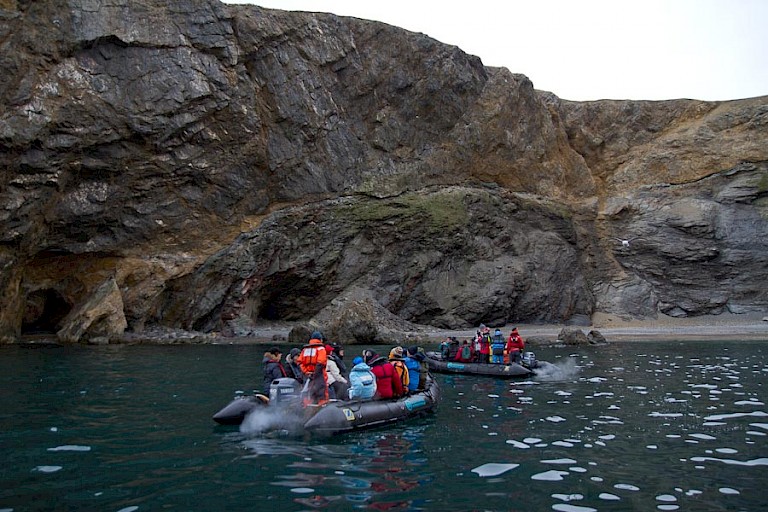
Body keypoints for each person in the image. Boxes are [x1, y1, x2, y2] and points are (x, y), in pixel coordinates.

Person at [296, 331, 328, 405]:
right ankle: (322, 408)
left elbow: (300, 362)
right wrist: (315, 374)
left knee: (309, 394)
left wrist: (306, 372)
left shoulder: (305, 350)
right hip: (319, 375)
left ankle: (308, 409)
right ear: (320, 339)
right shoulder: (321, 349)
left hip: (308, 376)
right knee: (321, 394)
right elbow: (321, 362)